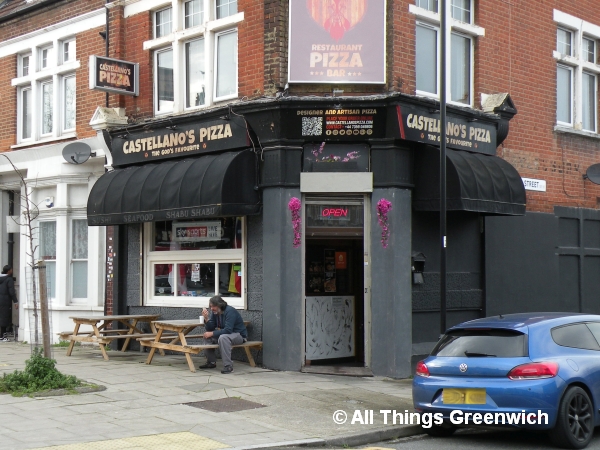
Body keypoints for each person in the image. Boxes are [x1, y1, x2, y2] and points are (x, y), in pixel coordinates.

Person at [199, 295, 247, 374]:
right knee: (207, 336)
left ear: (219, 305)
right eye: (210, 306)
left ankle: (228, 366)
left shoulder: (230, 311)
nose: (211, 308)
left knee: (223, 338)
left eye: (213, 306)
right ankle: (211, 362)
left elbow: (228, 330)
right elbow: (210, 328)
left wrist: (212, 333)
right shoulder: (215, 312)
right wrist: (206, 319)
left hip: (238, 335)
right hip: (226, 334)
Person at [0, 265, 18, 341]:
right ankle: (2, 336)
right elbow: (11, 291)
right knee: (5, 317)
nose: (12, 271)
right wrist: (15, 301)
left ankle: (2, 335)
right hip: (5, 300)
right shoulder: (9, 279)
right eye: (11, 269)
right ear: (8, 271)